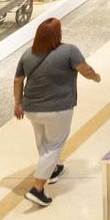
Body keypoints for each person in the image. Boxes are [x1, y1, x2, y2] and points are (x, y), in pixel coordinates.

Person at [12, 17, 99, 208]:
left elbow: (18, 80)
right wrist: (96, 77)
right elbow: (86, 70)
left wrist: (17, 103)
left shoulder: (27, 54)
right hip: (58, 109)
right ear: (57, 34)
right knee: (54, 145)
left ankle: (51, 170)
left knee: (42, 141)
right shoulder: (69, 51)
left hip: (32, 109)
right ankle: (37, 188)